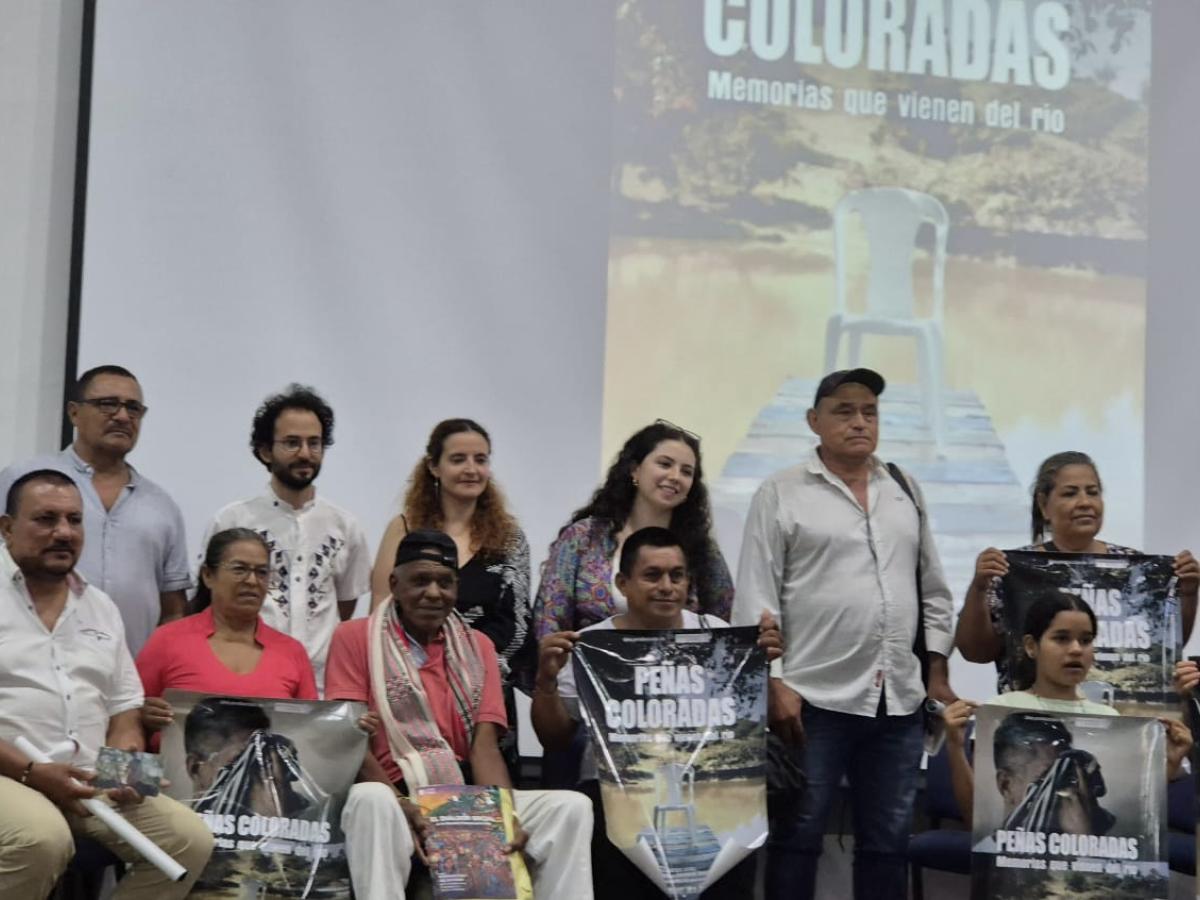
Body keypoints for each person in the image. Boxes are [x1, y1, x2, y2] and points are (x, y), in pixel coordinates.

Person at [732, 368, 956, 900]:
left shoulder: (903, 487)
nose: (860, 421)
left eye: (870, 411)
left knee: (887, 844)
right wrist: (773, 683)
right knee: (798, 839)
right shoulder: (782, 491)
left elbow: (933, 589)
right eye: (844, 410)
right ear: (814, 421)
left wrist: (938, 672)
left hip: (898, 700)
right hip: (812, 698)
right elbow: (756, 595)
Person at [326, 529, 595, 899]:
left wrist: (502, 817)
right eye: (420, 581)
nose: (433, 593)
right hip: (393, 792)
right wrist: (404, 804)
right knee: (369, 799)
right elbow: (354, 741)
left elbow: (484, 747)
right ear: (394, 583)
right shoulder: (354, 637)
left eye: (445, 582)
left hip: (462, 799)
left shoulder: (477, 646)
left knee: (570, 807)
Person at [137, 527, 400, 900]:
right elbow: (126, 723)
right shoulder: (167, 641)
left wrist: (349, 730)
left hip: (277, 842)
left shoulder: (290, 653)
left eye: (262, 572)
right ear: (208, 575)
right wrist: (144, 725)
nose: (252, 581)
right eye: (240, 569)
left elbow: (313, 731)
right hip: (176, 819)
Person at [531, 526, 781, 900]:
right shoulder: (593, 645)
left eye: (676, 576)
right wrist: (546, 681)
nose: (667, 586)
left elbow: (755, 725)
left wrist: (764, 668)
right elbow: (554, 738)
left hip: (715, 798)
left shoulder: (720, 636)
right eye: (652, 575)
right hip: (619, 802)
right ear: (623, 582)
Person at [0, 469, 212, 899]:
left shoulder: (100, 607)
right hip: (11, 774)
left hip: (88, 777)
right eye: (45, 519)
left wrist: (123, 767)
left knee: (190, 841)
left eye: (74, 520)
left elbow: (124, 708)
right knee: (41, 839)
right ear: (6, 528)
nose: (63, 532)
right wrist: (33, 772)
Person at [955, 450, 1199, 692]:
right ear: (1043, 504)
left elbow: (1162, 646)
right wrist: (979, 588)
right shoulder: (1014, 570)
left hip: (1120, 721)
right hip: (1030, 718)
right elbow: (975, 652)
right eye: (1070, 493)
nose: (1085, 502)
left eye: (1093, 492)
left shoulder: (1133, 568)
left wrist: (1188, 593)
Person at [943, 594, 1191, 825]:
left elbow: (1138, 821)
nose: (1076, 649)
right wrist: (955, 746)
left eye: (1086, 640)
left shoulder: (1109, 718)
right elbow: (972, 817)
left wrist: (1166, 768)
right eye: (1061, 638)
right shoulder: (1001, 711)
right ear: (1031, 646)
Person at [0, 364, 192, 655]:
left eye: (134, 408)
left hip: (129, 681)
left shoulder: (161, 506)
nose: (123, 416)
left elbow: (173, 610)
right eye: (108, 404)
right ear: (74, 412)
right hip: (28, 669)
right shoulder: (24, 481)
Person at [203, 384, 371, 692]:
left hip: (322, 690)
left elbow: (345, 607)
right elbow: (211, 604)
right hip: (246, 682)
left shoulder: (345, 526)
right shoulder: (232, 521)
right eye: (292, 443)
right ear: (266, 450)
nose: (305, 454)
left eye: (315, 443)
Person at [534, 420, 733, 639]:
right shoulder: (584, 537)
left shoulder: (702, 548)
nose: (675, 476)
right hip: (589, 668)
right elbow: (549, 620)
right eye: (665, 464)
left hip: (679, 669)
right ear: (635, 470)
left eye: (686, 472)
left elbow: (722, 624)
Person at [371, 419, 532, 683]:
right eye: (458, 460)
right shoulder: (403, 529)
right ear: (434, 467)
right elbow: (381, 612)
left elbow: (517, 623)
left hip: (484, 683)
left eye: (480, 460)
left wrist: (468, 664)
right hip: (412, 681)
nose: (471, 469)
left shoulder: (510, 538)